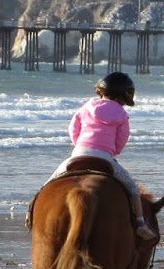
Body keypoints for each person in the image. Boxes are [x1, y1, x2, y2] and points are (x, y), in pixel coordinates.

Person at [50, 71, 154, 241]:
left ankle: (31, 210)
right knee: (132, 189)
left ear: (101, 91)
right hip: (105, 157)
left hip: (78, 154)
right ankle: (141, 223)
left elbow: (73, 128)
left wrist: (79, 145)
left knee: (53, 181)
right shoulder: (121, 114)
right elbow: (122, 139)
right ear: (123, 96)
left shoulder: (86, 107)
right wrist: (113, 151)